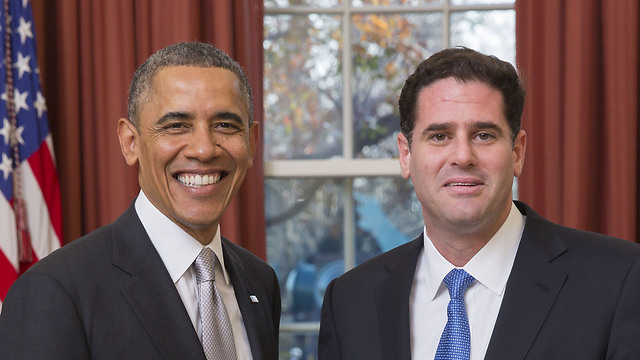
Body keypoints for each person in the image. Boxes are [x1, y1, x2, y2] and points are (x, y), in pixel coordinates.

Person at [318, 47, 640, 360]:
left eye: (483, 135)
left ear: (517, 153)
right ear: (406, 155)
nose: (462, 157)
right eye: (439, 136)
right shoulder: (349, 303)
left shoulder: (620, 280)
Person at [0, 42, 281, 360]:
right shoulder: (54, 290)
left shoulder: (259, 281)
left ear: (252, 141)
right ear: (130, 143)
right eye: (176, 126)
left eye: (225, 126)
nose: (204, 149)